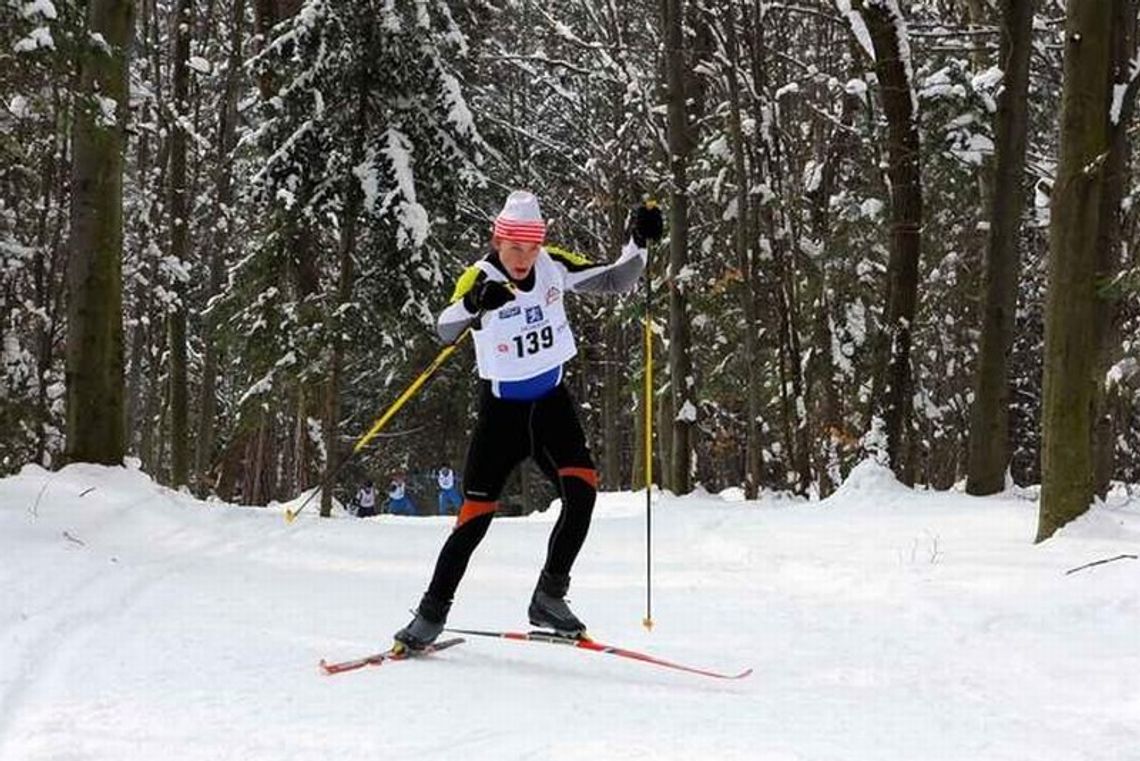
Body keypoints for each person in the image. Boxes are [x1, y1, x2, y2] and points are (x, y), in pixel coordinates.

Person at [393, 190, 662, 650]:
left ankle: (549, 597)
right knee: (474, 519)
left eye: (531, 246)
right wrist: (475, 303)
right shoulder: (479, 276)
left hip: (552, 405)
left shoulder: (552, 265)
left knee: (582, 494)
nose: (523, 257)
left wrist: (637, 243)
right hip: (502, 416)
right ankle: (430, 615)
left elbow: (615, 280)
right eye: (514, 246)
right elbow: (444, 328)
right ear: (498, 240)